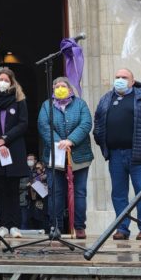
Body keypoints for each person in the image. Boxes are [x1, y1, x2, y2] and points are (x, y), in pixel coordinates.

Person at [93, 68, 141, 240]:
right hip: (115, 155)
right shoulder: (106, 99)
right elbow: (98, 120)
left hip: (139, 154)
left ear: (132, 81)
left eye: (124, 77)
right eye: (117, 77)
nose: (120, 80)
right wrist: (100, 139)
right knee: (118, 193)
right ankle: (122, 228)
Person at [38, 76, 93, 239]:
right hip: (55, 156)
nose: (59, 88)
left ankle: (79, 226)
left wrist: (71, 140)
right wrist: (60, 143)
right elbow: (43, 126)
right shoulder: (46, 106)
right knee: (56, 192)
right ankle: (56, 226)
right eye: (56, 86)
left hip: (79, 156)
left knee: (79, 192)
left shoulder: (80, 104)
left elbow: (86, 124)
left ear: (70, 89)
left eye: (63, 86)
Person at [0, 67, 29, 238]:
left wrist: (6, 139)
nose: (2, 82)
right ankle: (2, 224)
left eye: (6, 80)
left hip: (14, 148)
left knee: (13, 188)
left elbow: (23, 123)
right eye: (0, 79)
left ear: (11, 82)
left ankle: (15, 225)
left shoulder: (19, 100)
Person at [20, 153, 37, 229]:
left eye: (31, 159)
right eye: (28, 159)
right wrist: (27, 185)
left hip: (36, 200)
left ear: (35, 161)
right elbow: (17, 185)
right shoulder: (22, 171)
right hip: (24, 199)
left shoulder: (38, 171)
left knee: (36, 220)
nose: (29, 161)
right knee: (24, 220)